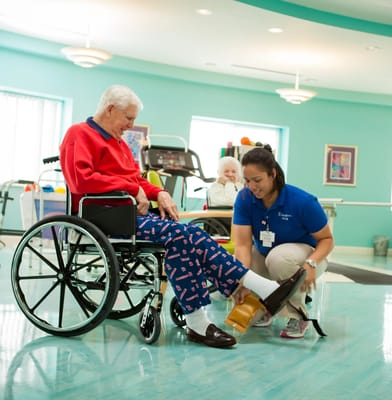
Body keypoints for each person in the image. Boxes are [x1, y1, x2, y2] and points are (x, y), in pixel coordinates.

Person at [59, 85, 306, 348]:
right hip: (104, 217)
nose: (131, 125)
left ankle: (199, 321)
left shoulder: (119, 144)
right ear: (110, 109)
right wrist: (132, 189)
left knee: (187, 237)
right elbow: (81, 181)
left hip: (132, 214)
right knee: (185, 234)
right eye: (128, 118)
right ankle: (258, 289)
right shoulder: (79, 134)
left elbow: (137, 180)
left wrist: (160, 193)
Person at [233, 145, 334, 339]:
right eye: (247, 181)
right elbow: (243, 245)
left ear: (273, 174)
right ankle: (267, 308)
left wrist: (311, 263)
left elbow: (327, 240)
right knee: (241, 264)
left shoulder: (302, 201)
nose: (252, 187)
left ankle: (298, 315)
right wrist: (243, 280)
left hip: (306, 258)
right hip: (265, 254)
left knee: (278, 258)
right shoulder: (245, 198)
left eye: (257, 180)